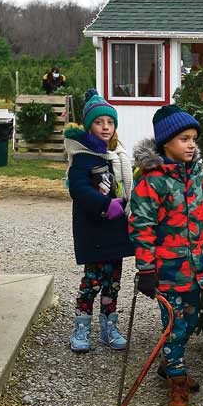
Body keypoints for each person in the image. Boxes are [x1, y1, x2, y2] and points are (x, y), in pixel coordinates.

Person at [128, 105, 203, 406]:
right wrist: (146, 270)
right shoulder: (151, 182)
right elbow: (142, 229)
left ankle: (169, 365)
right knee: (176, 325)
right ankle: (177, 382)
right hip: (167, 271)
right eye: (184, 138)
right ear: (166, 143)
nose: (191, 144)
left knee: (189, 321)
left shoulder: (199, 175)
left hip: (196, 268)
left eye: (194, 138)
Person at [65, 89, 135, 353]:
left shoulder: (117, 154)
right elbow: (79, 190)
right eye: (99, 122)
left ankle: (109, 328)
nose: (105, 127)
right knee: (91, 281)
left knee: (113, 281)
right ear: (88, 126)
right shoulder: (81, 158)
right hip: (94, 231)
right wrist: (106, 205)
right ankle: (81, 328)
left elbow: (125, 186)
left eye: (110, 122)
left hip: (115, 232)